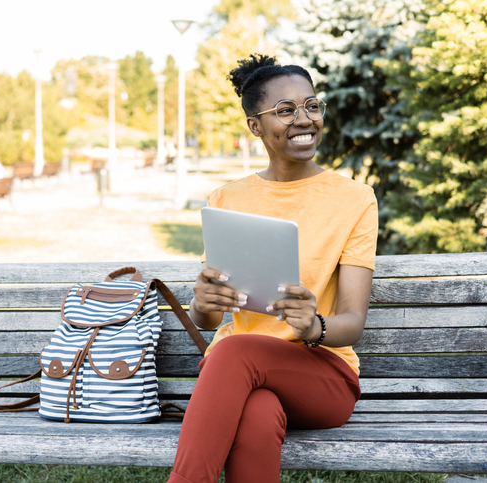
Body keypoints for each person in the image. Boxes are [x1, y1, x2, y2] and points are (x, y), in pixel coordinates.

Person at [167, 54, 378, 483]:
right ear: (255, 126)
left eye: (312, 105)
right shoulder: (227, 198)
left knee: (231, 352)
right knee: (258, 413)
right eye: (285, 111)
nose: (304, 119)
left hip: (322, 374)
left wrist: (313, 326)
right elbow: (208, 318)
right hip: (238, 376)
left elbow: (353, 322)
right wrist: (201, 301)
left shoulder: (355, 199)